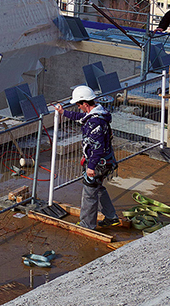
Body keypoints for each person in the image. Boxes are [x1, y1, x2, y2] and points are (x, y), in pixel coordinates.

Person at [52, 85, 121, 230]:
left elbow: (97, 147)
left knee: (89, 192)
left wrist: (90, 167)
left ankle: (87, 225)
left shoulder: (95, 123)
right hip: (107, 160)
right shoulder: (98, 114)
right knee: (98, 188)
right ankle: (111, 217)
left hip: (98, 163)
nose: (78, 108)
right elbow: (80, 117)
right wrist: (63, 112)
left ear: (85, 103)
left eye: (79, 105)